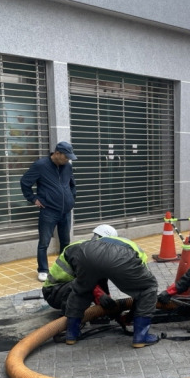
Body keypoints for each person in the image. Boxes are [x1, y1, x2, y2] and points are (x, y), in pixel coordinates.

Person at [63, 234, 159, 348]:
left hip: (88, 252)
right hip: (120, 256)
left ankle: (71, 335)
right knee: (148, 288)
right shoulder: (138, 253)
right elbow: (142, 292)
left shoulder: (106, 240)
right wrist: (130, 316)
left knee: (81, 291)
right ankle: (141, 337)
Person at [20, 141, 77, 283]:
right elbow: (24, 182)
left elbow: (71, 184)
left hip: (66, 212)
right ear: (57, 153)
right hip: (49, 211)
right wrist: (33, 199)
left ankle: (63, 268)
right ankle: (43, 270)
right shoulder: (41, 165)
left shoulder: (67, 167)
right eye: (66, 157)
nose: (67, 160)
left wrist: (71, 199)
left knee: (66, 242)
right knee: (44, 242)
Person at [42, 224, 119, 315]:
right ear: (96, 238)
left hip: (66, 288)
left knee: (92, 285)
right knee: (84, 286)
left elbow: (102, 281)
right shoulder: (78, 250)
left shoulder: (97, 255)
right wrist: (100, 295)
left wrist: (108, 305)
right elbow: (83, 280)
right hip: (53, 292)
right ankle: (69, 315)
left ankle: (81, 312)